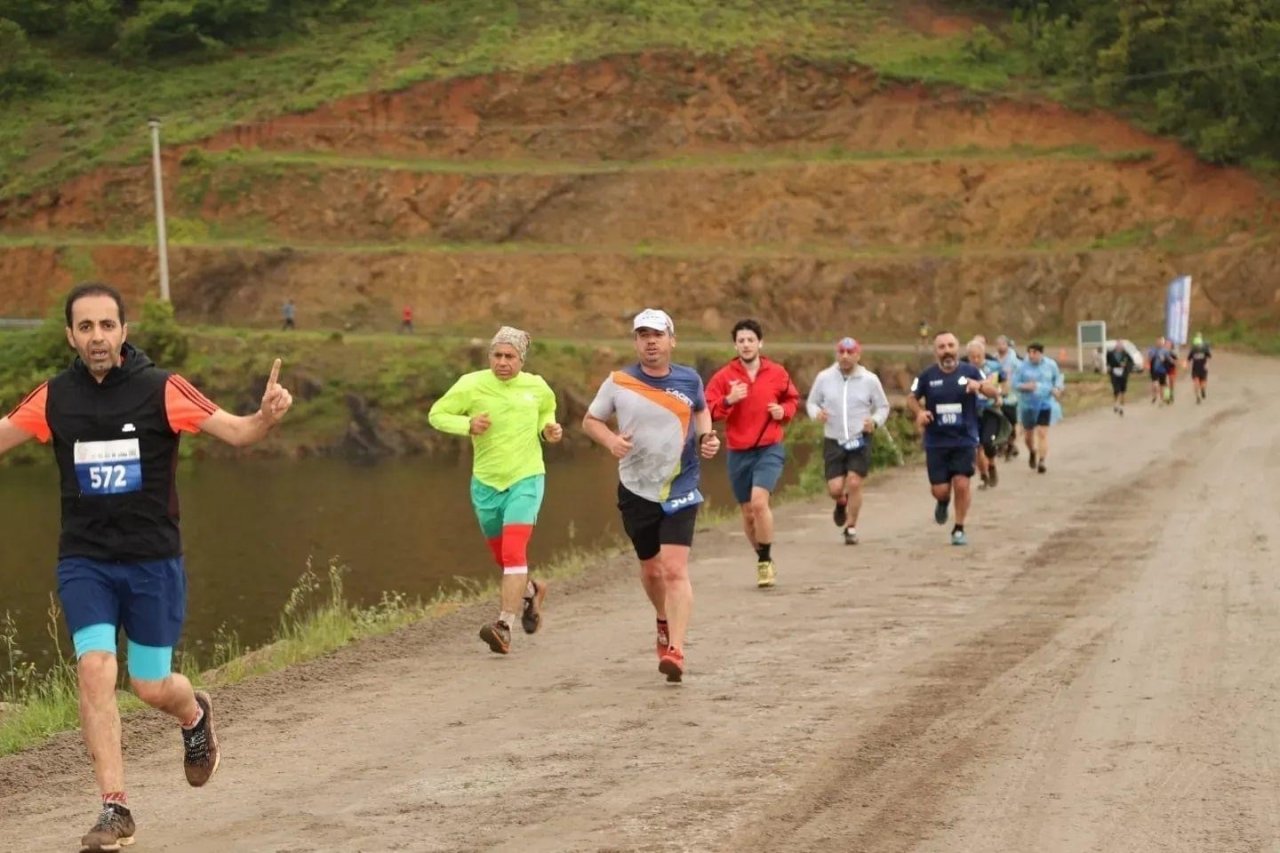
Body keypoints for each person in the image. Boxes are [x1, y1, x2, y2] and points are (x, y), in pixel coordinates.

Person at [0, 283, 294, 852]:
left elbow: (238, 432)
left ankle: (194, 715)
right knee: (95, 670)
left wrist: (266, 415)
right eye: (85, 328)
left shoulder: (162, 389)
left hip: (152, 564)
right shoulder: (54, 397)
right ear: (70, 336)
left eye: (107, 325)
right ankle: (115, 809)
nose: (97, 337)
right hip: (85, 561)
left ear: (124, 331)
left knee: (151, 685)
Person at [582, 309, 720, 683]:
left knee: (674, 569)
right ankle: (662, 618)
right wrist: (611, 440)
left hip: (680, 486)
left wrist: (708, 438)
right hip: (636, 488)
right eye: (643, 335)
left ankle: (676, 649)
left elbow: (703, 412)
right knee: (651, 569)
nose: (651, 341)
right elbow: (590, 420)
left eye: (657, 334)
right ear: (636, 342)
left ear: (671, 340)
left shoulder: (689, 379)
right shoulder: (619, 381)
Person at [428, 326, 561, 655]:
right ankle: (531, 591)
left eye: (509, 357)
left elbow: (547, 412)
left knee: (515, 552)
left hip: (527, 478)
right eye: (497, 355)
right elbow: (436, 414)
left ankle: (503, 625)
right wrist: (466, 425)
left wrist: (549, 430)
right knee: (503, 558)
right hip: (486, 483)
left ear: (521, 359)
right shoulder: (471, 384)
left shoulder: (537, 386)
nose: (502, 362)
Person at [705, 319, 799, 587]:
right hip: (738, 451)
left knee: (759, 503)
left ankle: (766, 561)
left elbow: (791, 399)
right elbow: (707, 410)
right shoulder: (724, 377)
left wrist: (784, 412)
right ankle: (762, 557)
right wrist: (728, 400)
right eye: (741, 341)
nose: (746, 345)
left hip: (769, 446)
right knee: (747, 513)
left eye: (750, 340)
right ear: (735, 345)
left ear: (760, 343)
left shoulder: (777, 372)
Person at [906, 331, 996, 546]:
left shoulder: (972, 371)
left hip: (964, 438)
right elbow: (911, 397)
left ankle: (959, 527)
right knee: (941, 489)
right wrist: (919, 412)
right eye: (942, 347)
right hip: (936, 441)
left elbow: (994, 391)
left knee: (962, 483)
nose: (947, 350)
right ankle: (943, 501)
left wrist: (980, 386)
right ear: (936, 351)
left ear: (957, 348)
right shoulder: (926, 375)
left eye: (950, 345)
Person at [805, 337, 890, 545]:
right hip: (834, 439)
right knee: (835, 489)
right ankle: (841, 502)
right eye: (841, 352)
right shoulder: (824, 377)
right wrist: (817, 414)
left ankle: (850, 528)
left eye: (849, 352)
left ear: (858, 355)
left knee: (854, 482)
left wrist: (875, 421)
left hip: (859, 438)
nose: (845, 356)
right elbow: (811, 402)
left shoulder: (869, 379)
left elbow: (883, 407)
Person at [1013, 342, 1064, 474]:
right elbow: (1014, 384)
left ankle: (1042, 461)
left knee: (1042, 433)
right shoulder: (1022, 366)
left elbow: (1058, 378)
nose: (1031, 355)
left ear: (1041, 353)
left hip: (1044, 403)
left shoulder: (1050, 365)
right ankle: (1032, 451)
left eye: (1034, 352)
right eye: (1029, 352)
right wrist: (1025, 386)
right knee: (1028, 437)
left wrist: (1057, 388)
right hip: (1027, 405)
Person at [966, 339, 1007, 489]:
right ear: (968, 356)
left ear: (984, 354)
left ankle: (992, 465)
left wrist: (1000, 395)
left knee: (987, 442)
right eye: (973, 357)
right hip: (971, 412)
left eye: (979, 356)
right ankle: (983, 476)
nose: (976, 360)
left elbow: (1004, 381)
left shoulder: (994, 367)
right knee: (976, 446)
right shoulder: (963, 370)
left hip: (990, 410)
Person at [994, 335, 1021, 460]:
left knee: (1012, 421)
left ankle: (1010, 443)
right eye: (998, 344)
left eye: (1003, 344)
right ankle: (1002, 444)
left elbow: (1022, 373)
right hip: (997, 395)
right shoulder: (994, 359)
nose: (1000, 347)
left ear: (1007, 345)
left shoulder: (1014, 359)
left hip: (1012, 396)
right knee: (999, 421)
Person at [1106, 339, 1136, 415]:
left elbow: (1131, 363)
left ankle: (1121, 407)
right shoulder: (1110, 353)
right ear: (1116, 346)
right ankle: (1116, 404)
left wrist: (1127, 368)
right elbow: (1108, 362)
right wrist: (1109, 367)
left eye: (1120, 346)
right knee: (1116, 389)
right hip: (1114, 373)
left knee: (1122, 391)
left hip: (1123, 374)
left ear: (1122, 347)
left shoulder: (1126, 354)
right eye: (1118, 345)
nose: (1119, 347)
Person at [1186, 333, 1212, 403]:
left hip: (1197, 368)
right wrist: (1207, 363)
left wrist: (1186, 365)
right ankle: (1200, 392)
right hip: (1201, 368)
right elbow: (1209, 357)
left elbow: (1188, 359)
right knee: (1200, 382)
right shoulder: (1204, 348)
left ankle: (1199, 395)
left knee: (1197, 383)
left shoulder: (1194, 350)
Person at [1147, 337, 1173, 404]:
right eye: (1158, 342)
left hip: (1163, 370)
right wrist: (1151, 357)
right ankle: (1155, 395)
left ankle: (1164, 398)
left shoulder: (1165, 351)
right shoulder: (1152, 350)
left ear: (1163, 343)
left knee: (1163, 385)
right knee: (1155, 384)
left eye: (1161, 342)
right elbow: (1149, 359)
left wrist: (1173, 362)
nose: (1159, 344)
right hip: (1154, 370)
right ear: (1156, 343)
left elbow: (1169, 359)